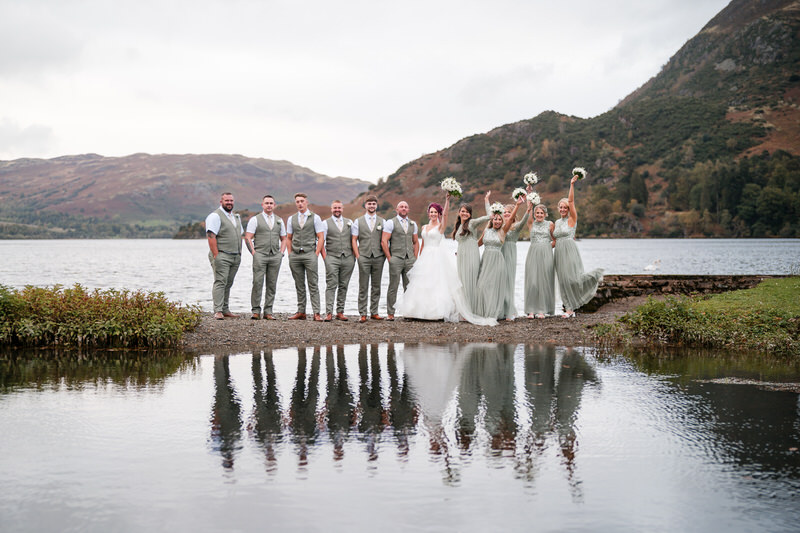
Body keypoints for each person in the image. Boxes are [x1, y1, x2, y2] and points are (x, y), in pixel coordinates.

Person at [397, 196, 496, 326]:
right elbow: (422, 244)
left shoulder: (440, 227)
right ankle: (417, 312)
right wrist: (419, 259)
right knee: (422, 284)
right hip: (425, 256)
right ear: (428, 213)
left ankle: (436, 312)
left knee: (437, 283)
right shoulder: (424, 227)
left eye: (435, 212)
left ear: (438, 214)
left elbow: (445, 215)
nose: (433, 214)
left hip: (437, 256)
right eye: (431, 212)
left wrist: (447, 201)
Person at [553, 174, 604, 317]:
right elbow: (554, 240)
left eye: (565, 207)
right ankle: (569, 309)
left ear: (568, 209)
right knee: (563, 281)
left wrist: (571, 184)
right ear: (558, 208)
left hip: (570, 252)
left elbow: (571, 200)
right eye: (561, 207)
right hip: (558, 253)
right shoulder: (556, 223)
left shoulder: (572, 219)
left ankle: (594, 276)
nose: (563, 209)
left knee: (572, 279)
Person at [244, 194, 286, 320]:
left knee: (272, 284)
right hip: (260, 255)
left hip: (275, 256)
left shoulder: (279, 220)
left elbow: (284, 238)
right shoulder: (255, 219)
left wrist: (281, 253)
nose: (269, 205)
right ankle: (256, 311)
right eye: (266, 203)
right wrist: (253, 253)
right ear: (262, 205)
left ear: (274, 205)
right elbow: (248, 237)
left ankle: (268, 311)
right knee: (257, 282)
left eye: (271, 203)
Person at [286, 192, 326, 321]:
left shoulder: (315, 218)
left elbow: (320, 237)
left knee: (313, 284)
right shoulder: (291, 219)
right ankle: (301, 311)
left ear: (306, 202)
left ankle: (316, 313)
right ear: (295, 203)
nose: (300, 203)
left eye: (302, 201)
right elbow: (288, 238)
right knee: (299, 284)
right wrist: (290, 254)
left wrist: (316, 254)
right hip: (295, 255)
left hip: (310, 254)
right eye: (297, 201)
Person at [452, 192, 492, 313]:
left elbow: (489, 216)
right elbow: (462, 242)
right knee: (462, 281)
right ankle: (463, 309)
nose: (464, 213)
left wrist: (486, 200)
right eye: (462, 211)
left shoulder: (472, 223)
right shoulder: (458, 225)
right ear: (459, 212)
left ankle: (471, 310)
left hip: (471, 254)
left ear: (470, 214)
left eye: (467, 211)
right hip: (461, 256)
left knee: (471, 280)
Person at [206, 192, 243, 320]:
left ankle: (225, 309)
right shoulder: (215, 216)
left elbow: (240, 235)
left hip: (235, 256)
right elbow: (211, 236)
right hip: (222, 255)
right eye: (226, 200)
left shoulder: (235, 217)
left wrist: (240, 253)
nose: (229, 203)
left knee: (228, 283)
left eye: (231, 201)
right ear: (221, 201)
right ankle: (218, 310)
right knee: (220, 282)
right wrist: (216, 255)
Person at [381, 201, 419, 321]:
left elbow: (416, 242)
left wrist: (415, 257)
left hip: (409, 259)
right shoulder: (390, 223)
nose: (403, 208)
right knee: (393, 286)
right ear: (397, 210)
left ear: (408, 210)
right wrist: (389, 258)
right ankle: (390, 313)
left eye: (406, 207)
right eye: (401, 207)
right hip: (396, 258)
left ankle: (408, 313)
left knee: (409, 286)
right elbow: (384, 241)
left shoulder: (413, 224)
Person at [351, 195, 386, 323]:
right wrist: (358, 256)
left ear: (377, 206)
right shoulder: (358, 221)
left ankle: (374, 312)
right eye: (369, 203)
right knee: (363, 286)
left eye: (373, 204)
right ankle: (362, 313)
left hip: (378, 257)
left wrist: (384, 256)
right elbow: (354, 240)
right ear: (365, 205)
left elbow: (386, 240)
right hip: (363, 256)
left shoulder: (383, 221)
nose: (371, 206)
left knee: (376, 286)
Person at [322, 200, 355, 321]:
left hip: (348, 258)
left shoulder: (349, 222)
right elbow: (321, 241)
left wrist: (354, 256)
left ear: (342, 209)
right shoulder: (325, 223)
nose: (337, 210)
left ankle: (340, 312)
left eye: (339, 208)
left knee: (344, 285)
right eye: (335, 208)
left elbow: (354, 240)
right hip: (332, 257)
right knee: (331, 285)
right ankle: (329, 312)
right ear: (331, 209)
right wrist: (325, 258)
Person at [499, 196, 529, 320]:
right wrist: (486, 201)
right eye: (504, 212)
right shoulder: (499, 226)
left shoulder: (516, 226)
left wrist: (528, 208)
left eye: (508, 212)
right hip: (499, 253)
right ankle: (500, 310)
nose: (506, 214)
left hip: (510, 253)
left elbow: (524, 221)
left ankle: (510, 311)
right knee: (499, 281)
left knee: (509, 281)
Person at [524, 203, 556, 318]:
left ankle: (542, 310)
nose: (539, 215)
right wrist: (530, 200)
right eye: (537, 213)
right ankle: (531, 310)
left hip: (546, 254)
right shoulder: (531, 223)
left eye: (541, 213)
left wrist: (546, 248)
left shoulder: (550, 224)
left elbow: (555, 240)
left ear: (545, 214)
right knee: (532, 282)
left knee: (544, 281)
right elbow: (528, 212)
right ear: (534, 214)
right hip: (532, 253)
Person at [474, 210, 507, 319]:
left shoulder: (503, 231)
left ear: (502, 221)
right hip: (486, 260)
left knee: (493, 287)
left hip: (497, 261)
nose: (497, 221)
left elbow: (511, 219)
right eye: (495, 219)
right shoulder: (486, 231)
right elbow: (478, 244)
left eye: (499, 219)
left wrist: (517, 205)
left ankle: (492, 312)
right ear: (492, 220)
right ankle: (482, 312)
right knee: (482, 286)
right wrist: (464, 250)